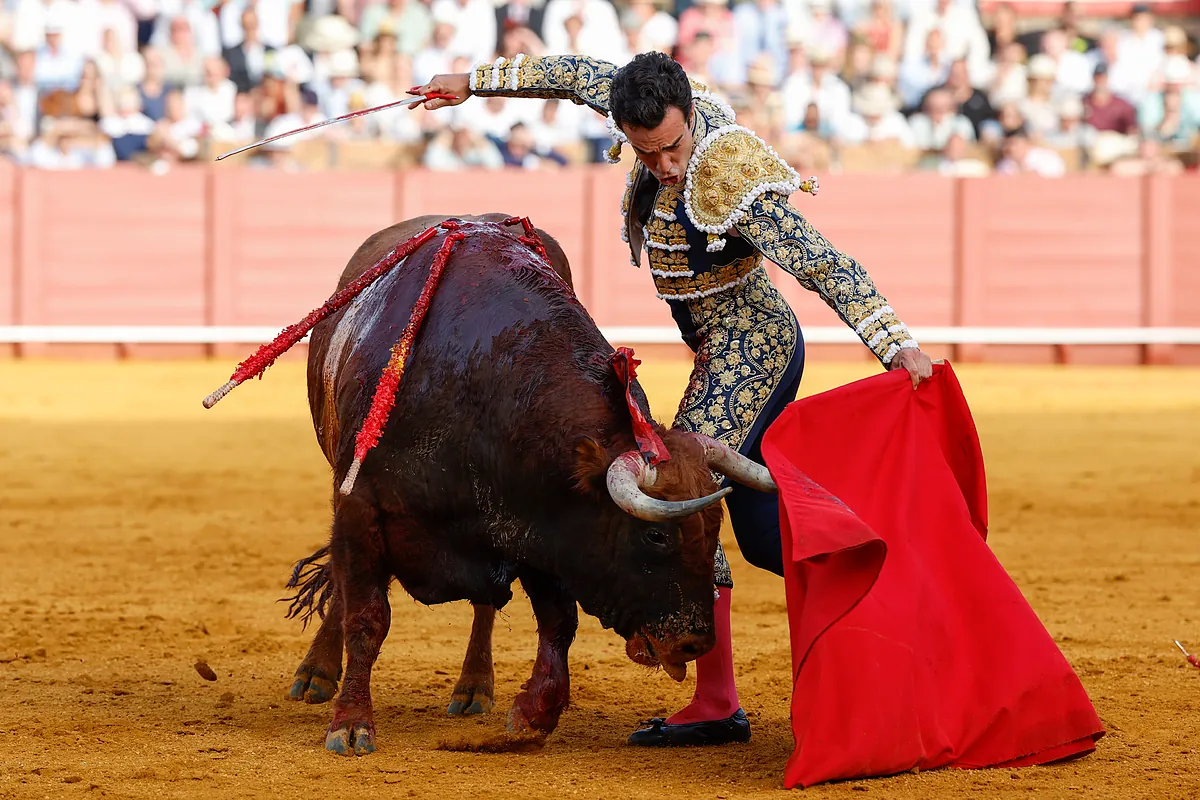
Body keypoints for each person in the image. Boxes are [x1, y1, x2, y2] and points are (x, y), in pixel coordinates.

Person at [410, 50, 934, 747]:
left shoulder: (726, 173)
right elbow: (572, 75)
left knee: (683, 491)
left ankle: (718, 701)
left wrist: (893, 341)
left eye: (673, 147)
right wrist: (469, 83)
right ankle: (881, 583)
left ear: (690, 115)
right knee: (762, 532)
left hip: (752, 342)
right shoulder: (642, 100)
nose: (664, 166)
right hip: (716, 345)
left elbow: (820, 261)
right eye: (646, 152)